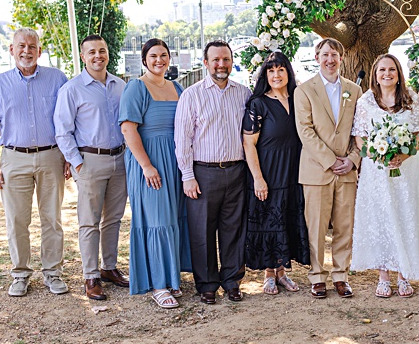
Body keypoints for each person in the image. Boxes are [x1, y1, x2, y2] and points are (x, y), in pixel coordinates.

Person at [0, 27, 70, 298]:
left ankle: (52, 272)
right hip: (14, 158)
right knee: (17, 220)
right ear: (11, 50)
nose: (26, 51)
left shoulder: (58, 79)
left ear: (39, 51)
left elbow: (68, 121)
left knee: (52, 218)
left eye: (32, 46)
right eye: (21, 46)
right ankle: (20, 274)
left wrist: (67, 156)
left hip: (51, 156)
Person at [349, 53, 419, 297]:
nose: (387, 74)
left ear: (398, 74)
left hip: (407, 170)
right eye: (382, 70)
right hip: (376, 170)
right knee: (381, 218)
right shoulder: (366, 100)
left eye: (391, 70)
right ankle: (383, 276)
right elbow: (360, 136)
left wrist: (405, 155)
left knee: (405, 215)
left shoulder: (410, 98)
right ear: (375, 75)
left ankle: (403, 275)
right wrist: (378, 155)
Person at [173, 40, 250, 303]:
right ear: (206, 63)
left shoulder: (244, 93)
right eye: (216, 59)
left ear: (231, 61)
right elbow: (182, 139)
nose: (221, 64)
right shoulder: (191, 95)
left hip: (236, 170)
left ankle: (232, 281)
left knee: (234, 229)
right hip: (203, 173)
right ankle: (206, 284)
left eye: (226, 59)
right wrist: (187, 175)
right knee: (202, 231)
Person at [54, 35, 129, 302]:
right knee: (89, 222)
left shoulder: (120, 86)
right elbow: (62, 131)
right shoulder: (72, 89)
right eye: (92, 52)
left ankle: (109, 268)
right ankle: (91, 276)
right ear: (83, 57)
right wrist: (77, 162)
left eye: (103, 50)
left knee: (114, 219)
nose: (98, 56)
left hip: (120, 159)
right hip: (89, 161)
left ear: (108, 53)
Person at [120, 39, 193, 308]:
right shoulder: (136, 87)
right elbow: (128, 129)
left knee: (174, 217)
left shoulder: (177, 87)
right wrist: (147, 166)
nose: (159, 60)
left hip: (174, 161)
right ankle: (159, 285)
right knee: (156, 221)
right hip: (149, 162)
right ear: (144, 59)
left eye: (163, 55)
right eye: (153, 56)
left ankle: (173, 278)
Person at [296, 37, 362, 297]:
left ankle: (341, 275)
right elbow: (306, 131)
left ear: (341, 58)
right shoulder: (304, 91)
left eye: (334, 55)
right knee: (317, 227)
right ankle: (316, 275)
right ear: (317, 58)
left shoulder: (354, 91)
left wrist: (353, 159)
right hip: (316, 170)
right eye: (325, 55)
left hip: (347, 170)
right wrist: (330, 160)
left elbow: (361, 131)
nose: (330, 60)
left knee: (345, 226)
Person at [241, 51, 310, 295]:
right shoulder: (258, 103)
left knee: (288, 220)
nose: (276, 75)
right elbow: (249, 143)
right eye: (271, 71)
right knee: (270, 221)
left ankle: (282, 272)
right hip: (268, 171)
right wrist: (258, 178)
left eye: (280, 70)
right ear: (265, 75)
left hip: (294, 171)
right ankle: (269, 274)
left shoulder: (299, 99)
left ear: (288, 72)